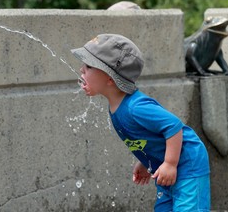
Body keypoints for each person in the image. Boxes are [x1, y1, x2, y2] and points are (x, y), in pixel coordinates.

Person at [71, 34, 210, 212]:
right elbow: (149, 137)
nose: (82, 70)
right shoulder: (117, 107)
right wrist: (146, 161)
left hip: (188, 164)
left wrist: (170, 163)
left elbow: (173, 126)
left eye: (89, 66)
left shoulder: (135, 107)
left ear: (110, 78)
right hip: (163, 165)